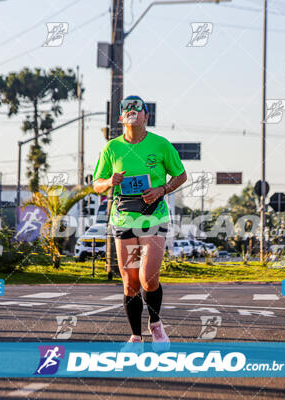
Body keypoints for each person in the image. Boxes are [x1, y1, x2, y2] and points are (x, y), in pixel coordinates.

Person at [93, 95, 187, 348]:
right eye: (127, 108)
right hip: (124, 218)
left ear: (146, 116)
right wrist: (109, 182)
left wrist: (162, 190)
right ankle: (135, 336)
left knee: (148, 278)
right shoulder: (112, 148)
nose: (132, 110)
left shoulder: (160, 145)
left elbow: (181, 175)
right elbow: (96, 184)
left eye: (138, 107)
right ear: (120, 118)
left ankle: (155, 324)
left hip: (153, 215)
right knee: (131, 281)